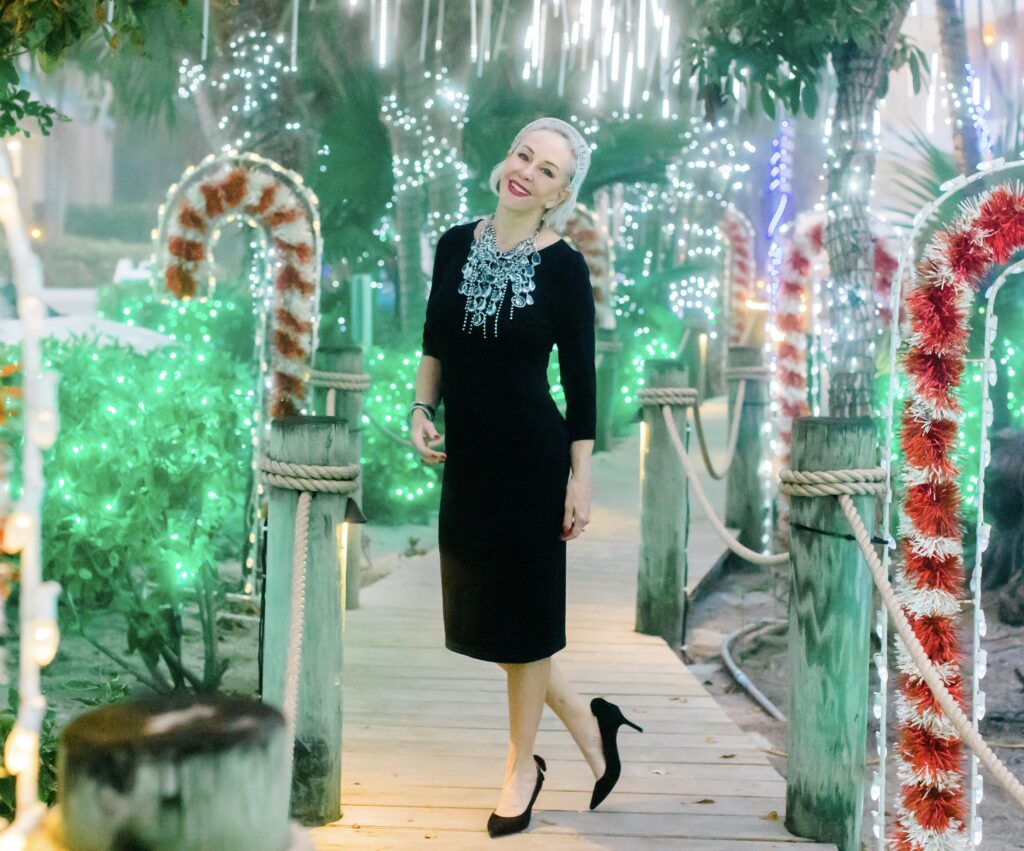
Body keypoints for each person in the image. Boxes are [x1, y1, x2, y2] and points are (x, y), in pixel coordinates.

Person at [409, 117, 642, 839]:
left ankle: (521, 768)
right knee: (500, 621)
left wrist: (581, 479)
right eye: (523, 156)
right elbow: (435, 341)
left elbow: (580, 381)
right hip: (470, 464)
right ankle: (587, 719)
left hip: (534, 463)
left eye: (547, 171)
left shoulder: (565, 267)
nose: (526, 173)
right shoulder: (454, 243)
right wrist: (420, 406)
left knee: (526, 619)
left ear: (560, 193)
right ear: (506, 158)